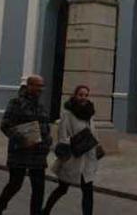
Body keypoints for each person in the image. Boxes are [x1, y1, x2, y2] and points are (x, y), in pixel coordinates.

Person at [0, 75, 52, 215]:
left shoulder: (41, 106)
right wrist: (24, 140)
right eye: (38, 86)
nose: (40, 89)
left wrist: (48, 140)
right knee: (15, 184)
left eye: (42, 86)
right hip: (20, 152)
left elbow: (45, 126)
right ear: (29, 86)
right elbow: (5, 125)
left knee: (39, 188)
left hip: (38, 154)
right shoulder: (16, 103)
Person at [43, 85, 100, 215]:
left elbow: (94, 133)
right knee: (62, 188)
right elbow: (62, 137)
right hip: (73, 159)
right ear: (75, 95)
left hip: (88, 160)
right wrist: (78, 141)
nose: (83, 97)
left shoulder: (89, 114)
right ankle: (45, 211)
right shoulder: (67, 114)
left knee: (88, 192)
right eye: (80, 94)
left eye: (86, 95)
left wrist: (96, 146)